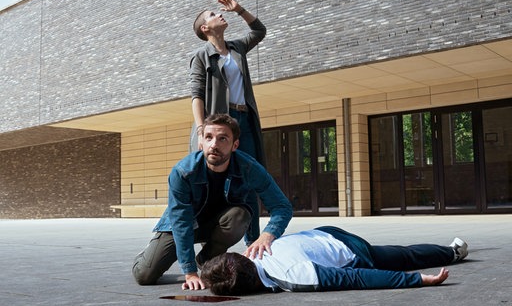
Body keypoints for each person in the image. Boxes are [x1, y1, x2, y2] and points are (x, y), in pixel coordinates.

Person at [132, 114, 293, 290]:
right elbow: (181, 221)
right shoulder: (183, 172)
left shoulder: (249, 168)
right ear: (202, 140)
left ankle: (207, 259)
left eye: (222, 138)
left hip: (219, 223)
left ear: (235, 145)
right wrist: (190, 273)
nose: (214, 144)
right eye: (209, 137)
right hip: (183, 224)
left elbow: (281, 206)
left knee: (240, 215)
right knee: (144, 276)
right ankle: (150, 252)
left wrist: (266, 236)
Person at [200, 226, 469, 295]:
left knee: (403, 257)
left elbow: (357, 277)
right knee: (401, 253)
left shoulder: (295, 275)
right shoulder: (250, 253)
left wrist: (418, 280)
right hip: (324, 234)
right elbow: (219, 270)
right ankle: (451, 250)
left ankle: (452, 252)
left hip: (351, 250)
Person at [189, 0, 266, 168]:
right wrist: (202, 131)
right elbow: (197, 96)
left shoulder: (237, 48)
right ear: (205, 28)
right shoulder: (201, 56)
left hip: (244, 119)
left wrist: (239, 9)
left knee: (250, 168)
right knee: (221, 171)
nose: (219, 15)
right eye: (212, 15)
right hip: (219, 122)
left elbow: (259, 31)